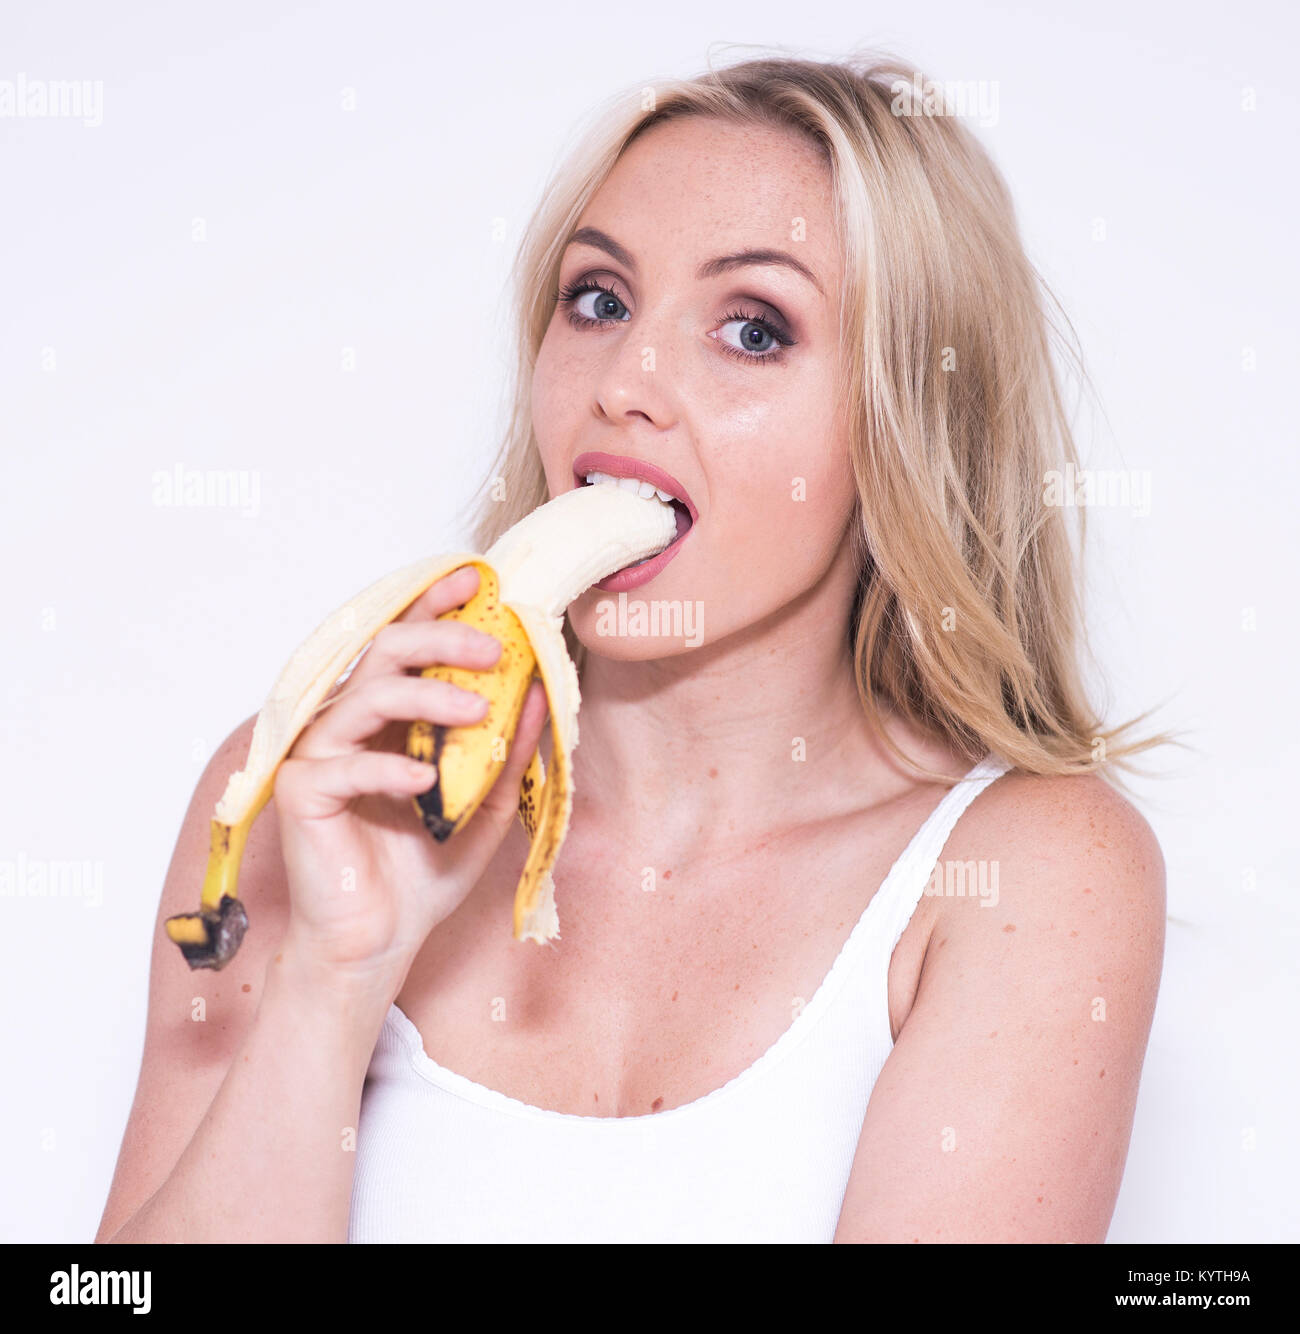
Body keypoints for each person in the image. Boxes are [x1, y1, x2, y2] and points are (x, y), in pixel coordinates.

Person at [95, 48, 1168, 1244]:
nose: (626, 381)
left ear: (903, 424)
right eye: (597, 301)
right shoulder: (303, 792)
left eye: (754, 328)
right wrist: (331, 978)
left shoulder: (1028, 875)